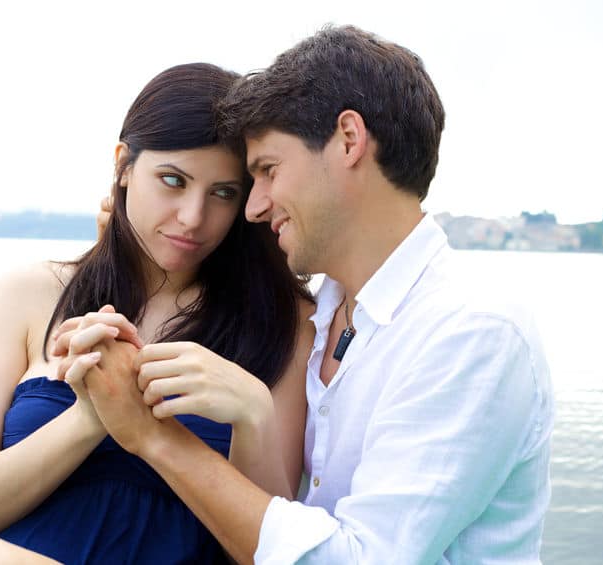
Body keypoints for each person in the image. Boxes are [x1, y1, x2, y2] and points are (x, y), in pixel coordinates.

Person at [61, 25, 555, 564]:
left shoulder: (471, 332)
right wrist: (124, 250)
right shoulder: (322, 316)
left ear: (348, 140)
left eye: (268, 171)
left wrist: (153, 438)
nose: (254, 206)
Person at [0, 62, 313, 564]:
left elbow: (272, 555)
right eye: (172, 180)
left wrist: (252, 414)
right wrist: (92, 418)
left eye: (223, 194)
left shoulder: (282, 322)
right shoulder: (30, 294)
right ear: (124, 165)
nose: (193, 217)